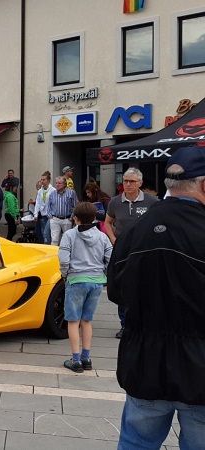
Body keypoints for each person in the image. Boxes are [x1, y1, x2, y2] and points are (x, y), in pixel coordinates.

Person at [107, 146, 205, 449]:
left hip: (144, 362)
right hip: (199, 368)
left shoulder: (136, 228)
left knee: (136, 443)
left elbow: (115, 291)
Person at [103, 167, 158, 339]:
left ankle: (144, 323)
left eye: (132, 181)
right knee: (123, 287)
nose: (127, 184)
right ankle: (125, 325)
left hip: (145, 251)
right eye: (125, 181)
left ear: (140, 183)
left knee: (145, 287)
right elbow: (107, 222)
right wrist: (113, 240)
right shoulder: (115, 202)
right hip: (123, 252)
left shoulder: (152, 201)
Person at [59, 202, 112, 374]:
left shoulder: (69, 235)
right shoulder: (102, 236)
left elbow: (64, 259)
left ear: (76, 218)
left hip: (76, 280)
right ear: (95, 218)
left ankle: (75, 360)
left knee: (73, 321)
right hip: (96, 281)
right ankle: (86, 358)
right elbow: (110, 258)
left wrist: (65, 274)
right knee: (87, 320)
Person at [46, 176, 77, 245]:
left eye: (59, 183)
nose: (57, 185)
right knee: (54, 240)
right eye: (56, 183)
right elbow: (49, 206)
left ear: (64, 184)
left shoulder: (71, 193)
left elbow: (74, 206)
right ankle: (54, 254)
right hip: (55, 219)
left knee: (67, 239)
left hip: (67, 219)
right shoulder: (52, 194)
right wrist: (50, 217)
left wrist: (72, 217)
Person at [31, 171, 55, 244]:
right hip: (42, 214)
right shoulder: (40, 191)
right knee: (42, 232)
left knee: (46, 232)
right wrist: (36, 214)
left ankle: (49, 246)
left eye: (44, 180)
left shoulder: (53, 190)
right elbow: (38, 203)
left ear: (48, 180)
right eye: (41, 179)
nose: (42, 181)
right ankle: (46, 245)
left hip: (50, 215)